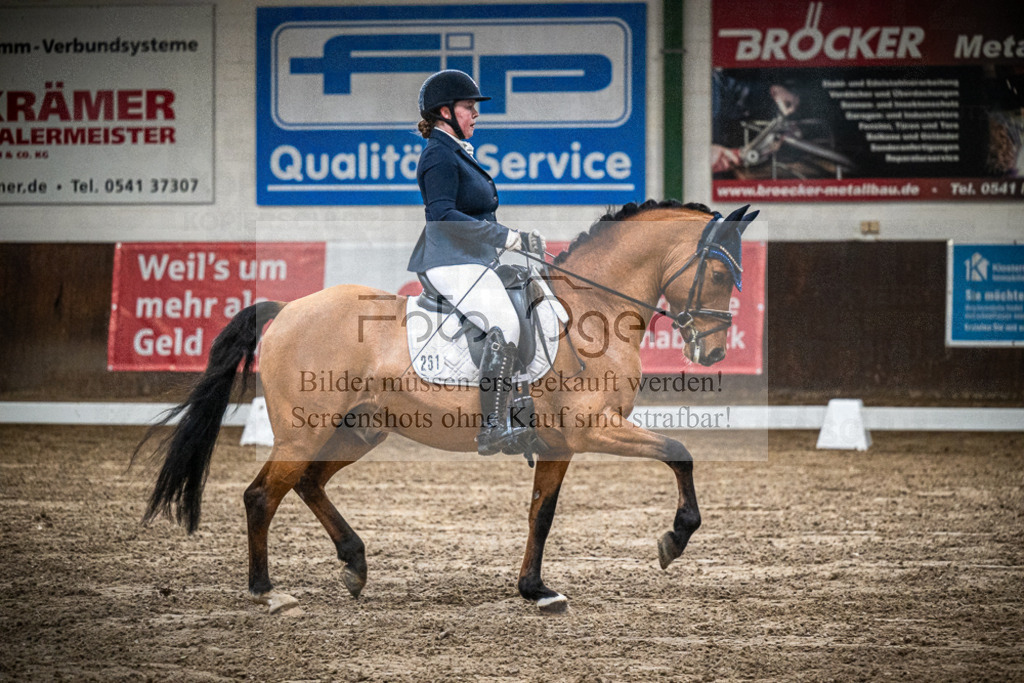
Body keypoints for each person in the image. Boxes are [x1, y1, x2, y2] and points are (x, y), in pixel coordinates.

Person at [407, 69, 529, 456]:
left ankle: (524, 413)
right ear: (444, 112)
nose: (475, 114)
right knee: (505, 323)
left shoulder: (456, 151)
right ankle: (492, 427)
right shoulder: (438, 155)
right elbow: (442, 214)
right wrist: (504, 237)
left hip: (473, 258)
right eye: (467, 107)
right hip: (449, 260)